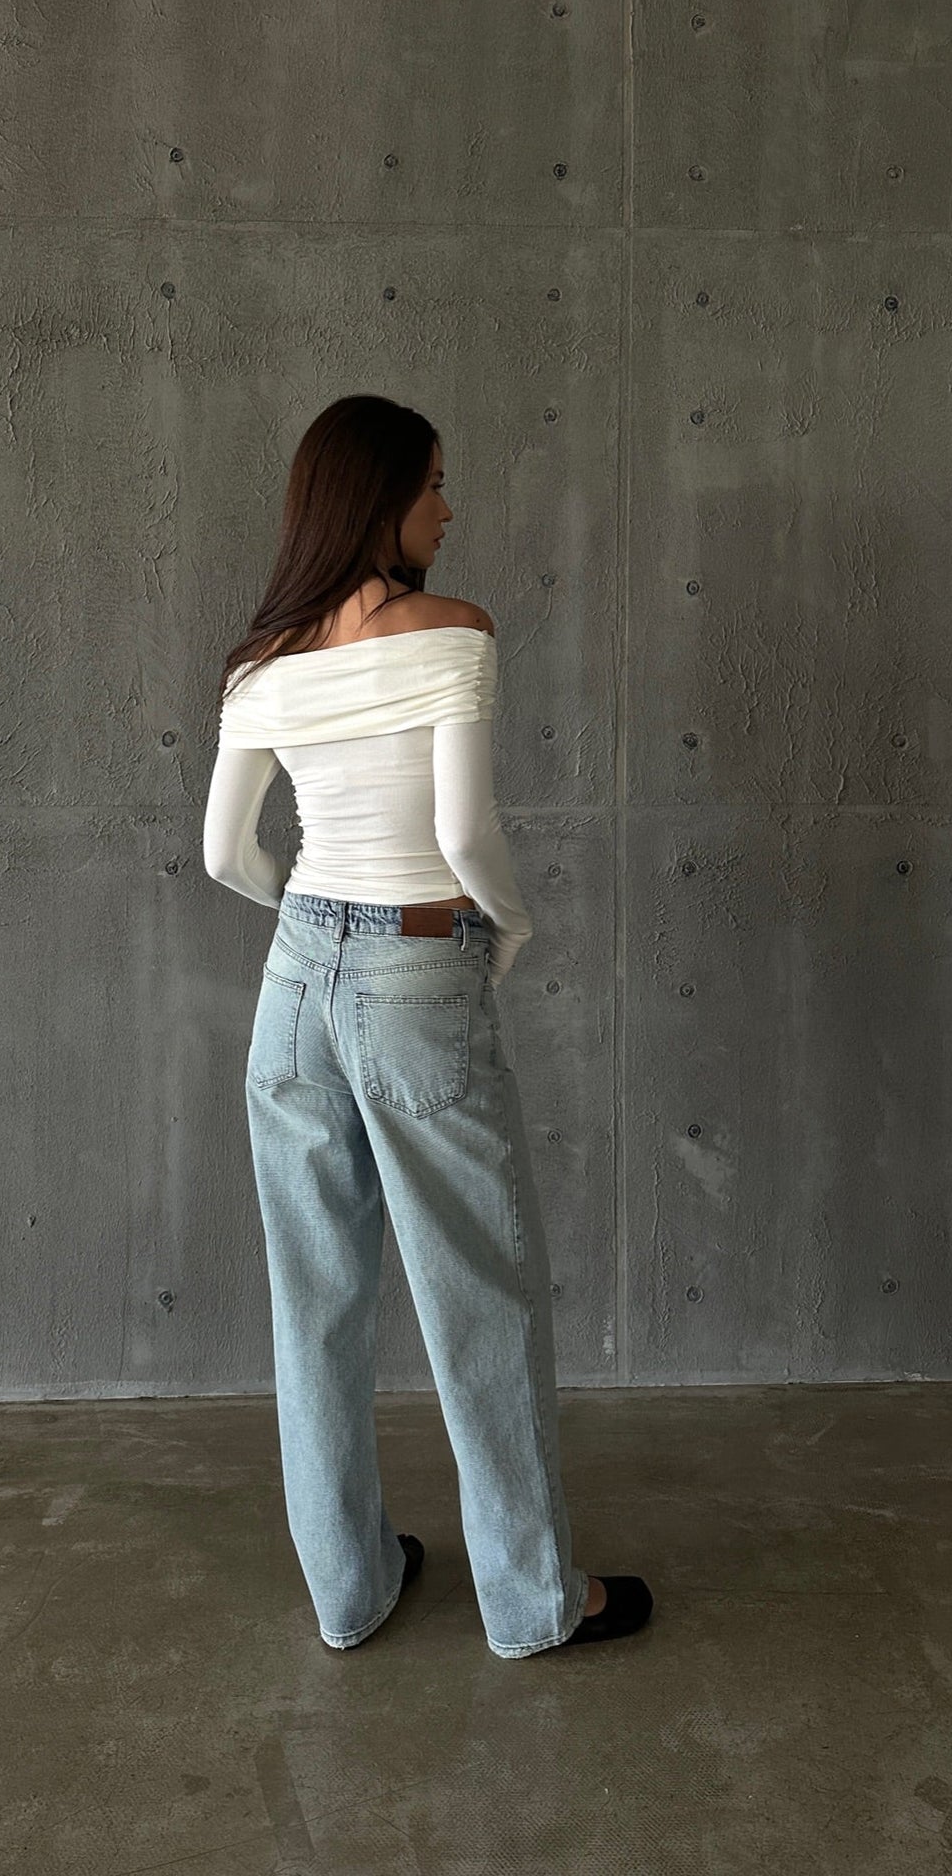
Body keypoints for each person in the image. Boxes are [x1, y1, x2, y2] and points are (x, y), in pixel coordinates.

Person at [202, 393, 652, 1658]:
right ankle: (530, 1600)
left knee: (315, 1299)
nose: (450, 509)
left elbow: (219, 849)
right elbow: (461, 836)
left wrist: (307, 920)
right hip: (416, 965)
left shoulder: (262, 662)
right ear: (380, 496)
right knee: (481, 1295)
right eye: (437, 484)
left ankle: (347, 1591)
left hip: (292, 982)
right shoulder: (452, 631)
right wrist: (506, 930)